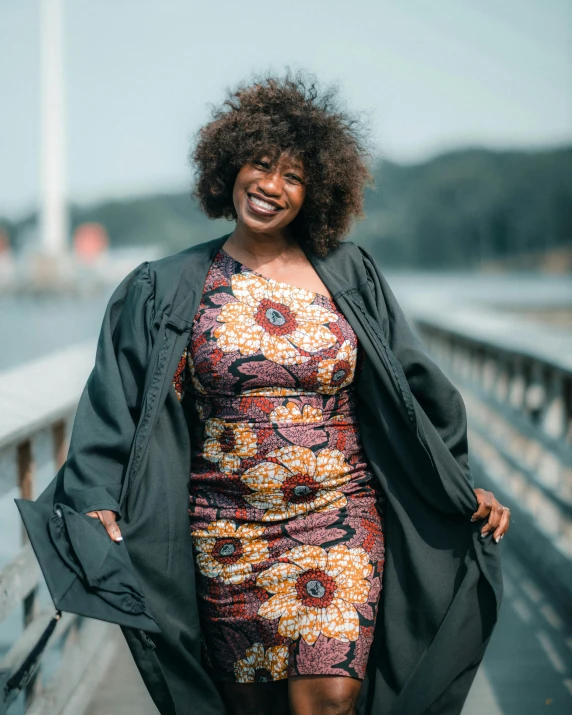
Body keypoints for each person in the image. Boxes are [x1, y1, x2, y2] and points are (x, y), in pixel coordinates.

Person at [20, 71, 510, 715]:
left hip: (340, 517)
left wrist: (456, 480)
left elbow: (414, 386)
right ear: (230, 166)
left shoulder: (349, 275)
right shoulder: (169, 287)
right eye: (261, 164)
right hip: (225, 529)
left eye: (294, 177)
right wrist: (93, 494)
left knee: (329, 699)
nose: (272, 187)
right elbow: (116, 395)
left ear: (316, 194)